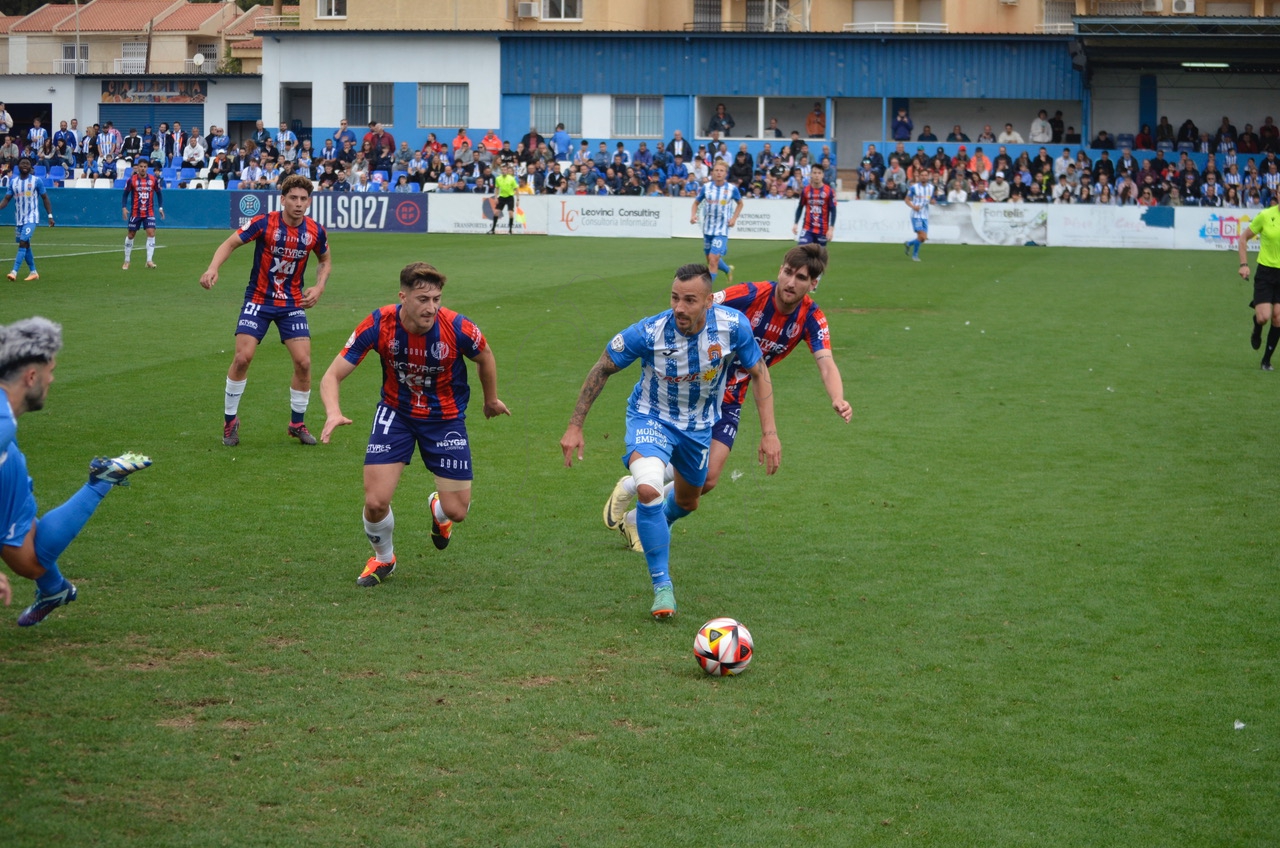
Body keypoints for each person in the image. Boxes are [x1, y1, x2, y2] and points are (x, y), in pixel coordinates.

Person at [560, 264, 781, 619]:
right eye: (675, 298)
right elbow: (602, 366)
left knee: (689, 501)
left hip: (698, 427)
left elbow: (759, 372)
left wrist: (769, 433)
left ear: (709, 301)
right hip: (650, 418)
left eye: (690, 300)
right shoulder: (649, 332)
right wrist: (575, 425)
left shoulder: (733, 327)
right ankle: (663, 587)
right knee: (650, 487)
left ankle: (641, 522)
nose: (679, 307)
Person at [604, 245, 850, 552]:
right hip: (695, 390)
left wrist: (838, 398)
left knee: (707, 480)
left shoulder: (812, 318)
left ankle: (637, 512)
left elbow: (826, 362)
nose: (790, 282)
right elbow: (703, 306)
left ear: (813, 283)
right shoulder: (750, 294)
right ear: (780, 269)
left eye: (800, 277)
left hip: (731, 398)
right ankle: (641, 497)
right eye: (787, 272)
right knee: (684, 462)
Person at [319, 262, 510, 586]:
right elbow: (332, 375)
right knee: (376, 502)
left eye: (436, 298)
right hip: (397, 415)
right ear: (403, 296)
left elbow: (485, 356)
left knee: (457, 511)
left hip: (445, 419)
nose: (431, 307)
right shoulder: (379, 324)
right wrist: (333, 411)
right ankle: (384, 559)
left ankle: (439, 510)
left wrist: (490, 399)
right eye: (423, 299)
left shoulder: (457, 327)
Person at [0, 316, 151, 626]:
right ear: (31, 377)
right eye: (50, 372)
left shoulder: (6, 425)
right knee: (27, 562)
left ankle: (54, 588)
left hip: (8, 462)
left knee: (28, 560)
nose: (52, 380)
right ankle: (100, 483)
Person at [199, 175, 332, 447]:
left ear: (309, 201)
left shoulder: (315, 231)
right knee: (242, 358)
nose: (298, 203)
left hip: (292, 302)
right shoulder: (265, 222)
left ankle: (297, 423)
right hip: (259, 299)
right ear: (282, 199)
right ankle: (230, 422)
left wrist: (319, 287)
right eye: (293, 198)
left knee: (304, 362)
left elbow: (325, 260)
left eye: (303, 199)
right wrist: (213, 268)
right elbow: (230, 243)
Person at [1238, 201, 1280, 370]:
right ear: (1278, 194)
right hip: (1266, 273)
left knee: (1278, 317)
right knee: (1264, 317)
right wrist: (1243, 265)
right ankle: (1257, 325)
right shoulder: (1265, 215)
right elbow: (1243, 238)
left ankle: (1266, 360)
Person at [0, 158, 54, 282]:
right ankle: (33, 272)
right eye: (22, 163)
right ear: (18, 166)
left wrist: (50, 216)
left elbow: (45, 198)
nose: (25, 165)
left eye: (27, 164)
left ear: (31, 167)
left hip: (32, 217)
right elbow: (7, 199)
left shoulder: (36, 181)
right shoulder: (13, 182)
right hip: (19, 218)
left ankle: (14, 272)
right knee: (26, 245)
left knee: (23, 241)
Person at [691, 161, 743, 285]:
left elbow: (740, 203)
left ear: (726, 173)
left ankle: (706, 290)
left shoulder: (731, 189)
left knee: (713, 260)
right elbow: (696, 203)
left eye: (721, 171)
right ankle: (727, 269)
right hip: (707, 229)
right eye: (716, 170)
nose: (719, 173)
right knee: (710, 259)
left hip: (721, 230)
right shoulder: (706, 187)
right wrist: (693, 215)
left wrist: (734, 218)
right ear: (712, 172)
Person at [121, 161, 164, 270]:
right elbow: (125, 194)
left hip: (149, 212)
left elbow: (159, 193)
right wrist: (124, 207)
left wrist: (160, 208)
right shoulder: (132, 180)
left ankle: (149, 261)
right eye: (141, 167)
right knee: (131, 235)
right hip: (136, 212)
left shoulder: (153, 180)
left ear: (147, 168)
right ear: (137, 168)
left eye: (145, 167)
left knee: (151, 233)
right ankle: (127, 261)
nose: (143, 169)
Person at [793, 167, 835, 246]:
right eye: (814, 173)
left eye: (819, 173)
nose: (817, 175)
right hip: (807, 228)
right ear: (811, 175)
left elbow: (833, 210)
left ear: (823, 175)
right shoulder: (806, 190)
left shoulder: (829, 191)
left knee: (818, 257)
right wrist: (796, 223)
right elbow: (800, 207)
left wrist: (831, 229)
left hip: (822, 230)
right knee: (802, 250)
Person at [904, 166, 936, 261]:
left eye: (926, 175)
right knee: (923, 236)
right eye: (922, 175)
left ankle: (909, 244)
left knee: (922, 239)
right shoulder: (914, 188)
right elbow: (906, 200)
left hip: (925, 215)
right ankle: (915, 255)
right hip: (916, 215)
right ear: (919, 176)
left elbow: (930, 199)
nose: (924, 177)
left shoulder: (931, 188)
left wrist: (933, 202)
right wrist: (914, 206)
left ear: (928, 176)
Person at [490, 163, 520, 234]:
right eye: (502, 170)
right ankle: (493, 229)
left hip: (510, 197)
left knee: (510, 213)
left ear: (507, 171)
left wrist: (518, 199)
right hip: (502, 197)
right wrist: (496, 197)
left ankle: (510, 230)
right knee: (496, 212)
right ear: (501, 171)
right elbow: (497, 188)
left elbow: (516, 189)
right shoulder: (498, 178)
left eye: (505, 170)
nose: (504, 171)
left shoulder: (511, 179)